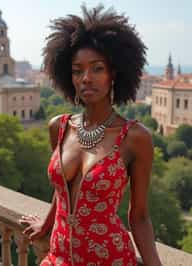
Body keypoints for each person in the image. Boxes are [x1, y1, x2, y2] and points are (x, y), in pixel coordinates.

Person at [19, 5, 162, 266]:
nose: (86, 78)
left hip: (110, 258)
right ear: (68, 76)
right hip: (58, 257)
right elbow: (61, 188)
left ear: (114, 74)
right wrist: (48, 221)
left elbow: (139, 216)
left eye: (97, 68)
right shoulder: (59, 127)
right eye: (77, 70)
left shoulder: (134, 137)